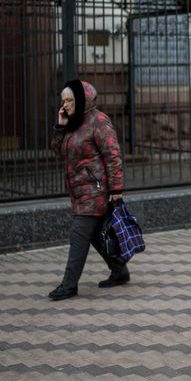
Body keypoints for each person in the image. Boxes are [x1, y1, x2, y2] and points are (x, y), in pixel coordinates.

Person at [48, 79, 129, 300]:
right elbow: (57, 149)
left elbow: (113, 156)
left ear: (82, 99)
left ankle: (69, 285)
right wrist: (60, 125)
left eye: (70, 100)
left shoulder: (99, 121)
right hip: (80, 191)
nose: (65, 104)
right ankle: (119, 269)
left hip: (96, 191)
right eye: (63, 100)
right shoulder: (73, 123)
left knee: (78, 234)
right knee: (93, 235)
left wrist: (116, 189)